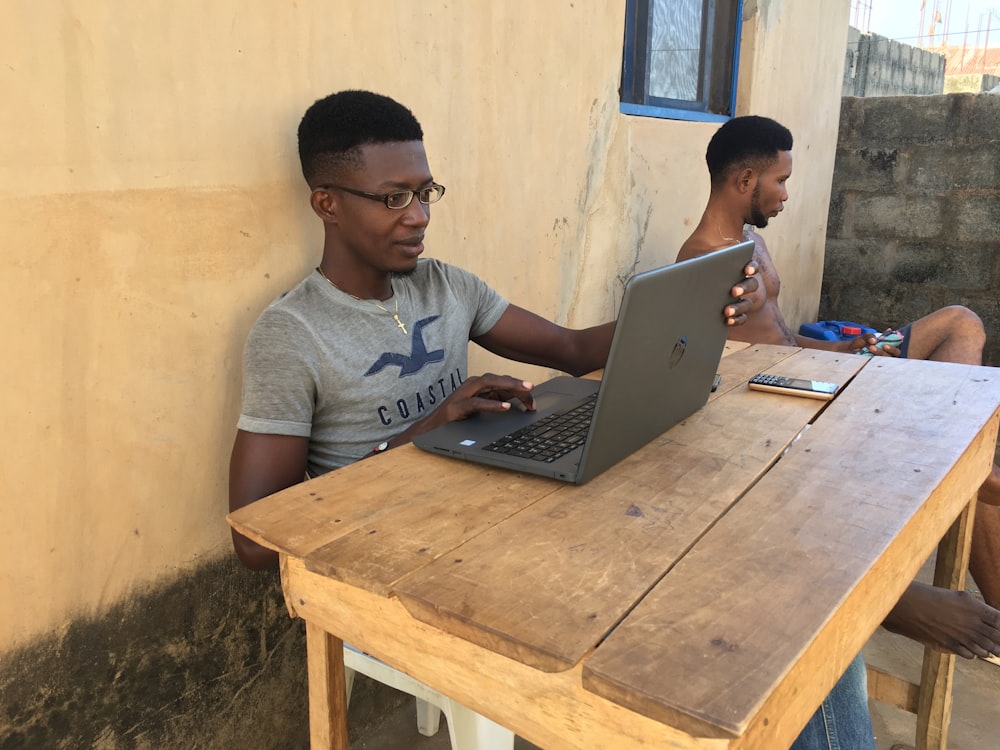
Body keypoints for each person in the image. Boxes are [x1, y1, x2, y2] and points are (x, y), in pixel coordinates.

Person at [229, 90, 881, 750]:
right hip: (400, 571)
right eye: (393, 197)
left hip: (498, 521)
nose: (419, 216)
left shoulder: (447, 287)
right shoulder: (292, 334)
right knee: (696, 625)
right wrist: (416, 438)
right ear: (328, 203)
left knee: (776, 593)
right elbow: (256, 541)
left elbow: (567, 350)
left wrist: (694, 309)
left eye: (427, 192)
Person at [678, 115, 1000, 663]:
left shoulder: (748, 238)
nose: (785, 195)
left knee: (960, 323)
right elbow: (742, 372)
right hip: (802, 399)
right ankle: (960, 466)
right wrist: (829, 368)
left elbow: (776, 335)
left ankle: (951, 448)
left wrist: (848, 348)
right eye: (780, 181)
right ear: (745, 180)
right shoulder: (705, 261)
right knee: (979, 476)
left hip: (819, 363)